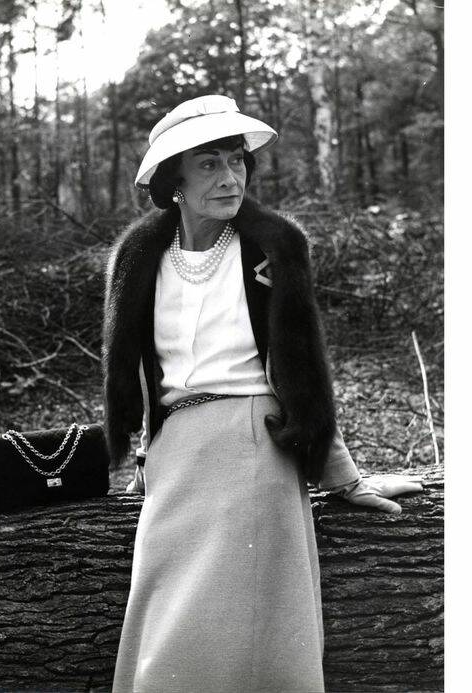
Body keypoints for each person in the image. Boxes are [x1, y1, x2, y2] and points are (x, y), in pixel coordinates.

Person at [102, 94, 423, 693]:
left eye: (236, 161)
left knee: (230, 633)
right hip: (173, 454)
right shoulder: (139, 257)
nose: (230, 178)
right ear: (173, 180)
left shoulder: (271, 246)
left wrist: (342, 475)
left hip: (254, 442)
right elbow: (145, 375)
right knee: (165, 620)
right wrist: (143, 459)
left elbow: (302, 368)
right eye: (208, 164)